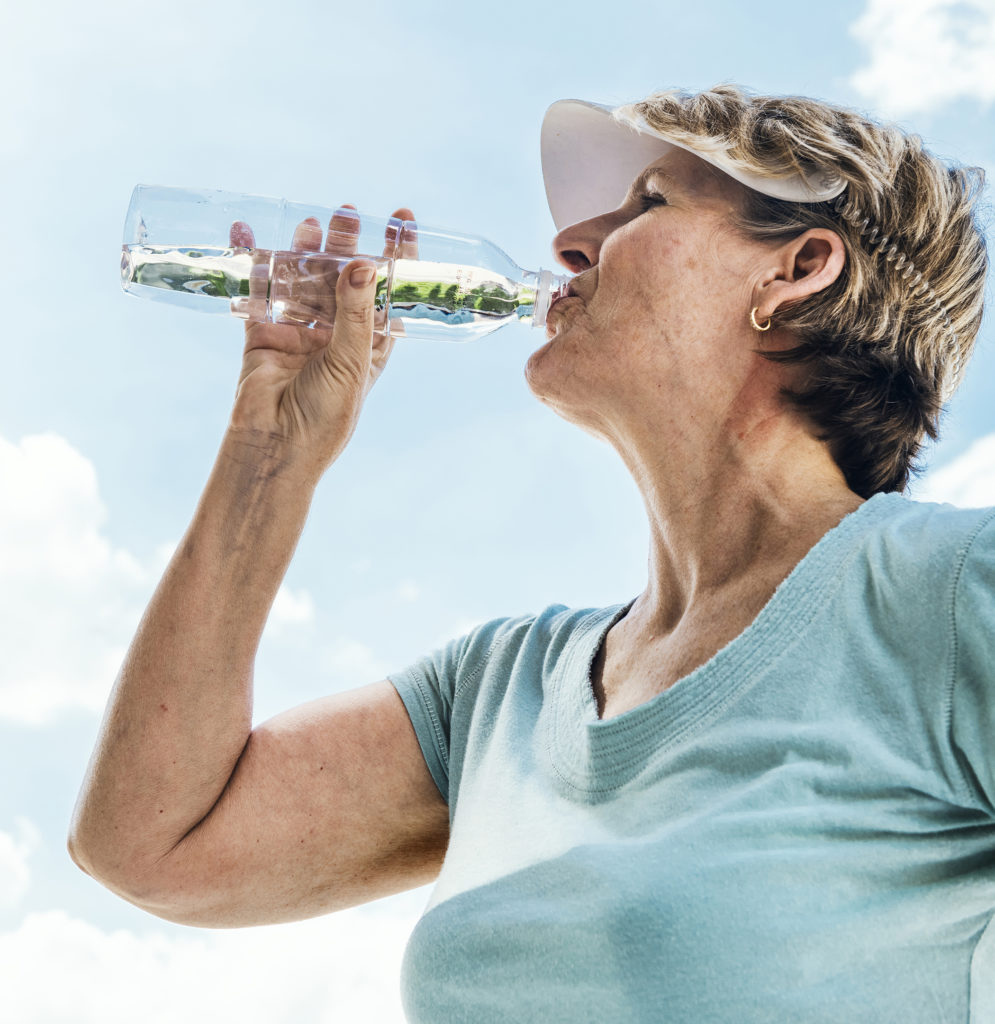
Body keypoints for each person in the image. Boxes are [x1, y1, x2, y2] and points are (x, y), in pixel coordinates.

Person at [69, 84, 992, 1022]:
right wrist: (271, 454)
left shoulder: (950, 597)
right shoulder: (502, 688)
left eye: (649, 204)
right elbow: (150, 844)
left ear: (794, 269)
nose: (567, 246)